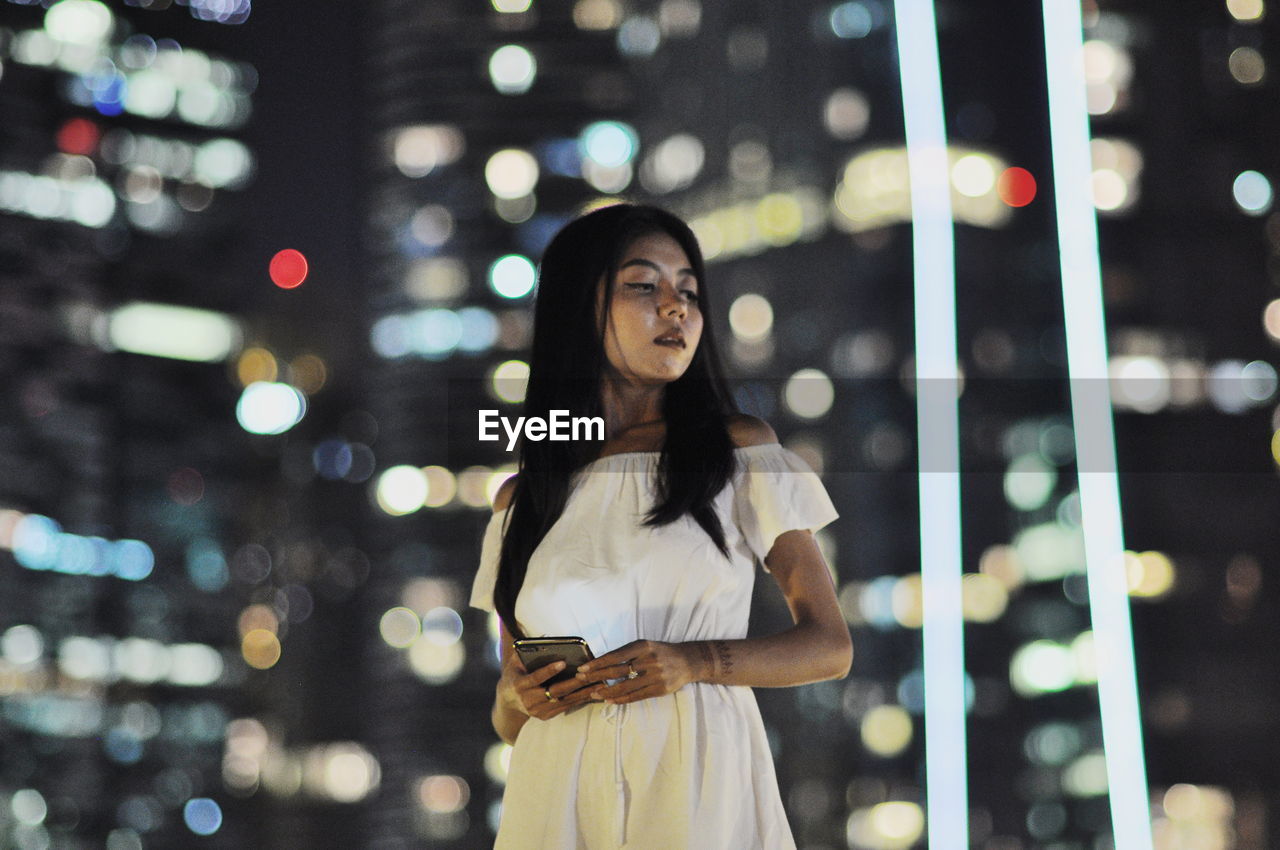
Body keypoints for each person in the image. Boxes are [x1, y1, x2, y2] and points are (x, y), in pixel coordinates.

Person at [470, 202, 852, 849]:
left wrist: (695, 661)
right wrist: (520, 695)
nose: (676, 307)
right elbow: (510, 714)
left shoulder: (739, 452)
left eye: (689, 291)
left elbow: (830, 646)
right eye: (644, 285)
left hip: (695, 786)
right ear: (579, 307)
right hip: (556, 804)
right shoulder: (521, 500)